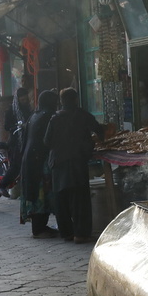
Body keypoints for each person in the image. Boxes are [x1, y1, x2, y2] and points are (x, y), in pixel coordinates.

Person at [44, 87, 104, 244]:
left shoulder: (55, 118)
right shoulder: (82, 115)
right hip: (77, 161)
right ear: (76, 99)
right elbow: (99, 130)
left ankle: (67, 233)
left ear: (62, 101)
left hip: (58, 163)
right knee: (80, 199)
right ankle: (81, 234)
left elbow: (47, 141)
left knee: (61, 199)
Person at [21, 90, 59, 239]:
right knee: (41, 194)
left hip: (29, 160)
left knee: (35, 193)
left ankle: (40, 227)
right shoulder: (48, 116)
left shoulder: (34, 115)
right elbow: (49, 140)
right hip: (39, 161)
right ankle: (39, 229)